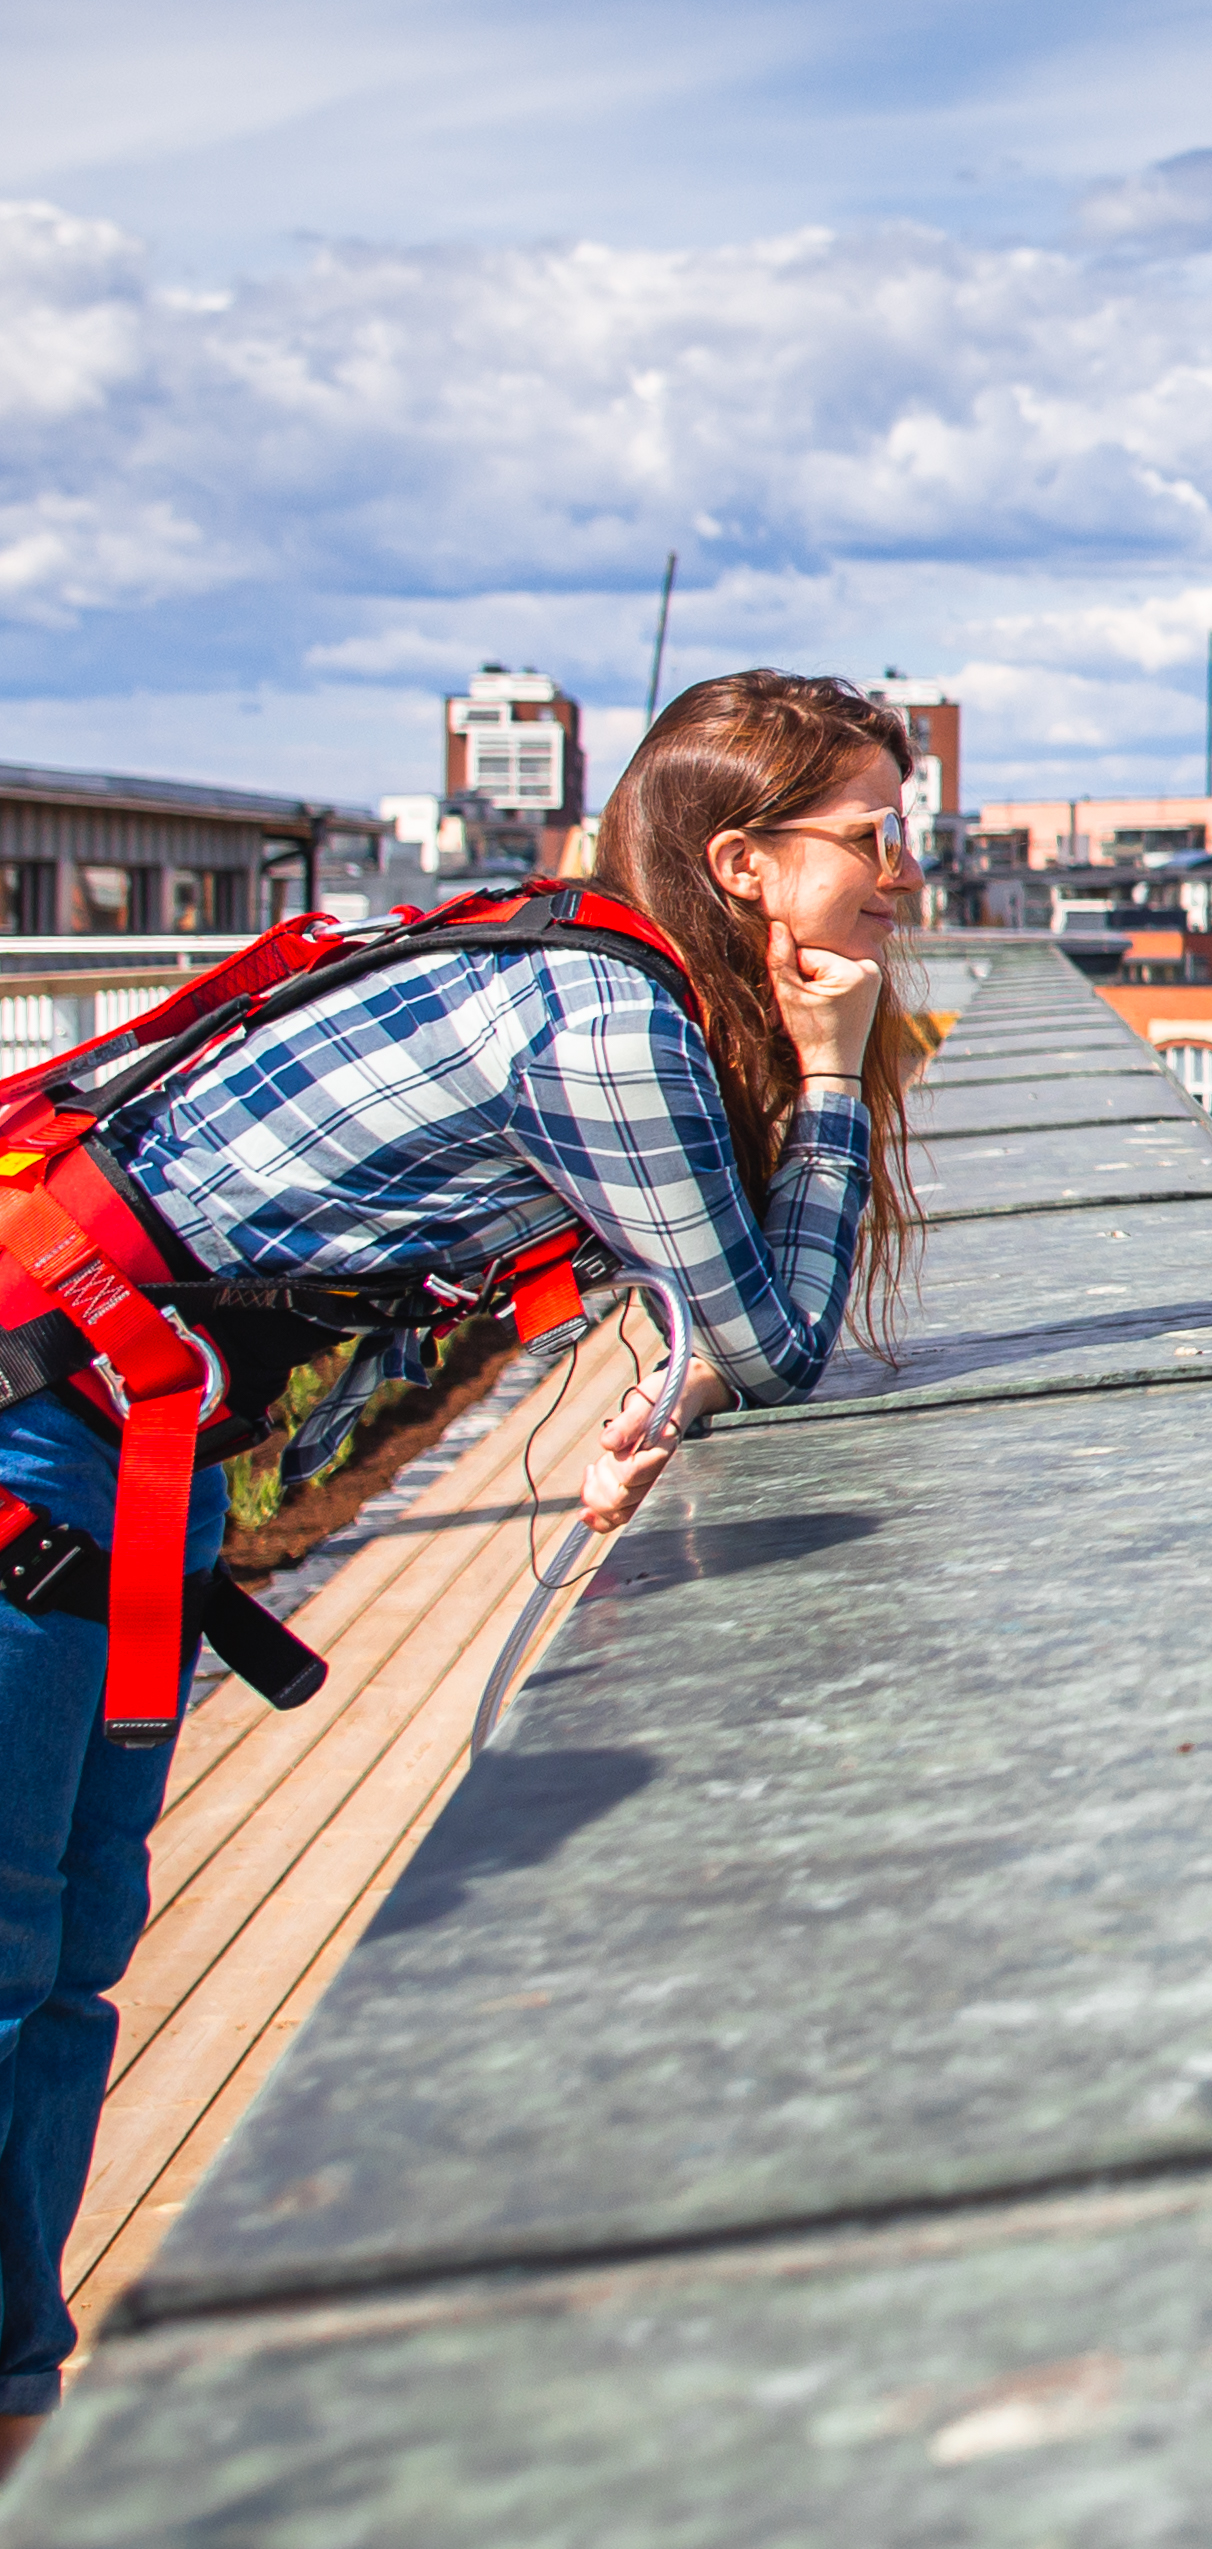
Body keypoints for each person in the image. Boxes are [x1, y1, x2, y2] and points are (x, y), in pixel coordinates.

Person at [0, 668, 922, 2468]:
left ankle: (18, 2414)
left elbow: (694, 1296)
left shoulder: (575, 969)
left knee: (77, 1956)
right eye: (874, 836)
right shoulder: (610, 1028)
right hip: (44, 1441)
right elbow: (784, 1327)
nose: (904, 871)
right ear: (745, 863)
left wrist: (669, 1381)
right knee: (16, 1958)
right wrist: (827, 1074)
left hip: (114, 1432)